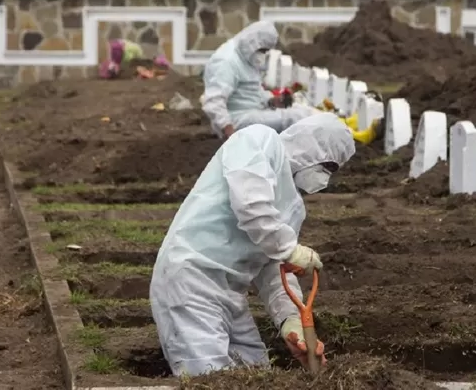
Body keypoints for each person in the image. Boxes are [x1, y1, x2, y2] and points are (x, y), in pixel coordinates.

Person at [149, 112, 356, 377]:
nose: (325, 180)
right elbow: (251, 205)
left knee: (257, 374)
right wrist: (289, 249)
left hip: (230, 294)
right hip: (190, 279)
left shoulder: (292, 208)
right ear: (311, 147)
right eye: (327, 167)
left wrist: (290, 320)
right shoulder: (259, 140)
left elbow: (275, 268)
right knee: (210, 378)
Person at [201, 20, 319, 138]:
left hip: (251, 112)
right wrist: (229, 132)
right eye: (262, 51)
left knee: (302, 110)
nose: (263, 55)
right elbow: (213, 102)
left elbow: (250, 92)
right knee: (293, 118)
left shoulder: (245, 56)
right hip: (237, 120)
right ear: (254, 43)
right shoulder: (226, 61)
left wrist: (271, 100)